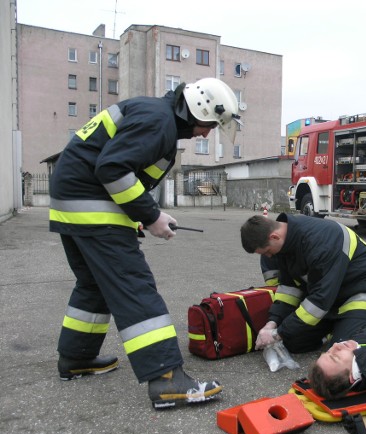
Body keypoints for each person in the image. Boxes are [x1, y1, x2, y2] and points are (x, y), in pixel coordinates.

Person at [50, 77, 241, 409]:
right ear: (196, 109)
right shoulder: (159, 121)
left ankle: (76, 358)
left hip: (74, 202)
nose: (206, 133)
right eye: (208, 125)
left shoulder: (156, 115)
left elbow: (114, 169)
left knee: (94, 285)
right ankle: (166, 378)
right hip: (92, 204)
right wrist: (150, 216)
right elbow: (111, 168)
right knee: (133, 285)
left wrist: (141, 213)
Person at [240, 214, 366, 353]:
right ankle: (339, 326)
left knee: (341, 349)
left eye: (267, 251)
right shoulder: (286, 245)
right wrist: (272, 323)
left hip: (361, 291)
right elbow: (289, 289)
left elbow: (320, 300)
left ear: (274, 236)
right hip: (332, 296)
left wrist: (278, 333)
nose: (269, 256)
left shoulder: (321, 242)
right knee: (292, 342)